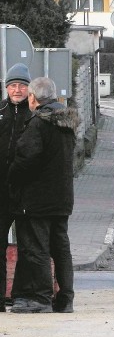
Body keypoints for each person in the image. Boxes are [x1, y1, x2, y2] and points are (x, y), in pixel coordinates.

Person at [8, 77, 78, 314]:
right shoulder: (66, 122)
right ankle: (66, 298)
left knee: (37, 248)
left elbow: (25, 159)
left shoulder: (38, 123)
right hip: (62, 198)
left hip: (37, 199)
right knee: (61, 247)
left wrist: (12, 178)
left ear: (33, 97)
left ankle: (41, 298)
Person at [0, 63, 32, 312]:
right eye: (13, 85)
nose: (17, 90)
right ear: (7, 87)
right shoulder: (0, 111)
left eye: (22, 85)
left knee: (28, 245)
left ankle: (21, 295)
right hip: (1, 190)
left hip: (25, 191)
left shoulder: (33, 114)